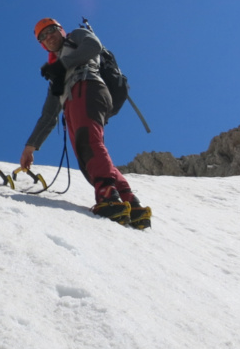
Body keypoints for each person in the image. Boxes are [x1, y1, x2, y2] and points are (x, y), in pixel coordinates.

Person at [20, 18, 151, 229]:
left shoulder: (77, 37)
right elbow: (49, 114)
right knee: (87, 150)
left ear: (61, 30)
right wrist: (31, 145)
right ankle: (131, 203)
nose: (48, 36)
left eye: (51, 30)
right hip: (74, 102)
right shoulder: (57, 71)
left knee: (88, 143)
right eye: (42, 37)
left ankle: (108, 195)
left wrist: (62, 66)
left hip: (87, 88)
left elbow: (94, 46)